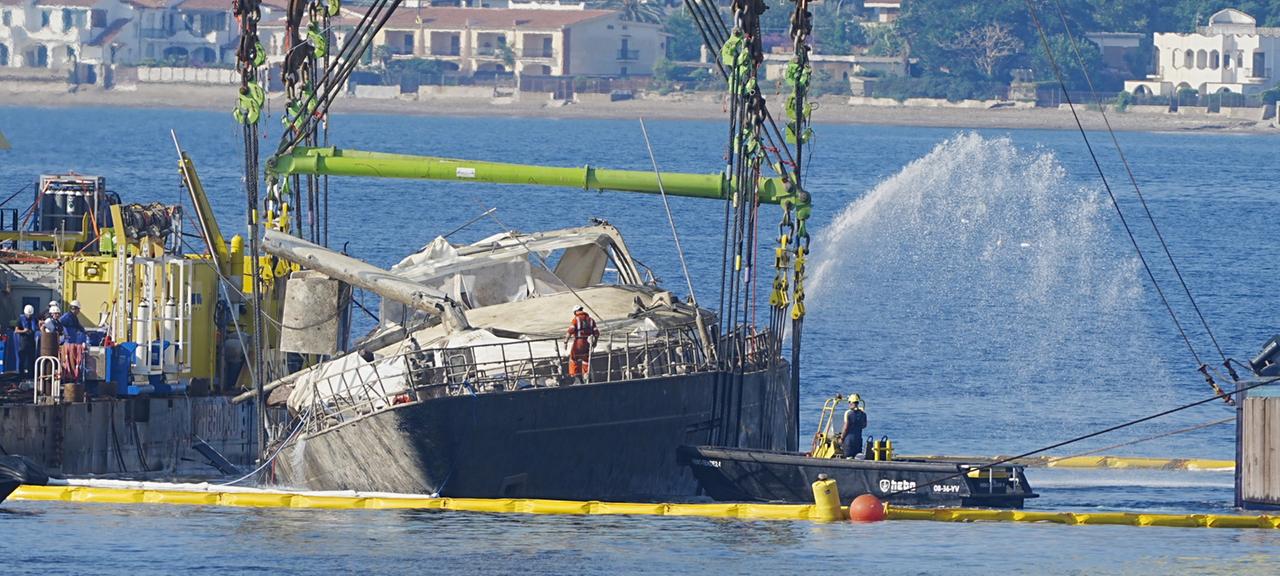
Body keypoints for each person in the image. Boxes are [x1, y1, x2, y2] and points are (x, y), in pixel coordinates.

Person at [563, 304, 598, 384]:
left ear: (575, 312)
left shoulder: (576, 320)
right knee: (586, 360)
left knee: (573, 359)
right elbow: (596, 333)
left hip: (578, 343)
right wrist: (595, 342)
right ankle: (587, 377)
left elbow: (570, 331)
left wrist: (565, 342)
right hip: (587, 344)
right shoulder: (591, 320)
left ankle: (576, 377)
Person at [59, 300, 86, 382]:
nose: (79, 311)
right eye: (78, 309)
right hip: (68, 343)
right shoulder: (67, 316)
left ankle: (72, 377)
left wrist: (84, 331)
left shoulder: (74, 317)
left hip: (73, 342)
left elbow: (79, 327)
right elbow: (60, 323)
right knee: (67, 360)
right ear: (76, 309)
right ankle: (68, 377)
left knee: (73, 360)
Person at [840, 394, 868, 458]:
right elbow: (864, 425)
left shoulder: (848, 413)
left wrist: (841, 438)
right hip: (858, 439)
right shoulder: (863, 413)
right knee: (858, 456)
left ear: (851, 403)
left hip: (849, 441)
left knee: (848, 457)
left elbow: (846, 428)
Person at [15, 304, 38, 380]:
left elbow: (37, 327)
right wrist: (23, 331)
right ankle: (20, 375)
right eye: (28, 314)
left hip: (32, 342)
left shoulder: (34, 319)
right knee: (22, 359)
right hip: (23, 341)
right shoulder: (20, 319)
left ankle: (31, 375)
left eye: (30, 314)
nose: (29, 316)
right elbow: (16, 330)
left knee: (31, 359)